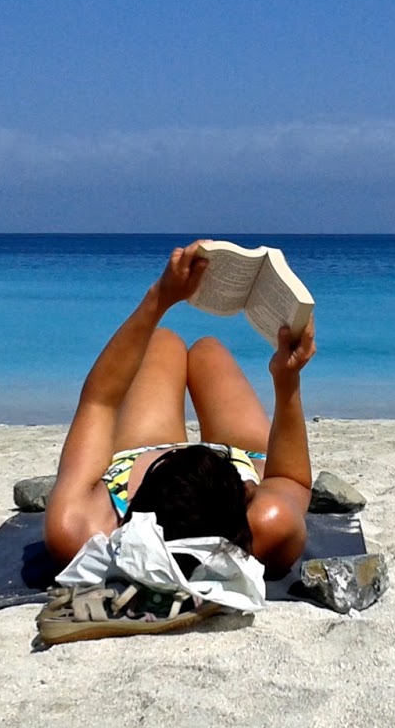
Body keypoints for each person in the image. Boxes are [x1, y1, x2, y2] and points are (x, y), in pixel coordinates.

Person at [44, 241, 316, 580]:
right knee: (208, 350)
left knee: (163, 341)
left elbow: (100, 400)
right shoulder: (267, 526)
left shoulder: (81, 530)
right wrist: (287, 380)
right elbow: (291, 480)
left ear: (138, 501)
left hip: (142, 456)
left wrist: (159, 298)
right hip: (230, 462)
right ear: (246, 498)